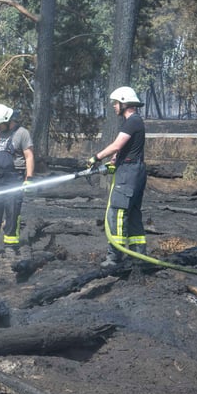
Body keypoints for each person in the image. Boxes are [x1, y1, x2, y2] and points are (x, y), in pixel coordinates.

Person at [86, 86, 147, 267]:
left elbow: (116, 145)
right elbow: (126, 148)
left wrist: (96, 157)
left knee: (117, 214)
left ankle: (115, 257)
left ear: (124, 103)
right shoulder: (136, 121)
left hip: (128, 173)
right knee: (133, 214)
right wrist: (116, 160)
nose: (114, 106)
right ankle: (139, 256)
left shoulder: (132, 122)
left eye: (116, 103)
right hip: (134, 171)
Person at [0, 103, 34, 255]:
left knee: (12, 212)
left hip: (14, 178)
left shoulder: (22, 133)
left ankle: (11, 246)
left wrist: (29, 179)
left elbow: (29, 156)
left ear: (8, 120)